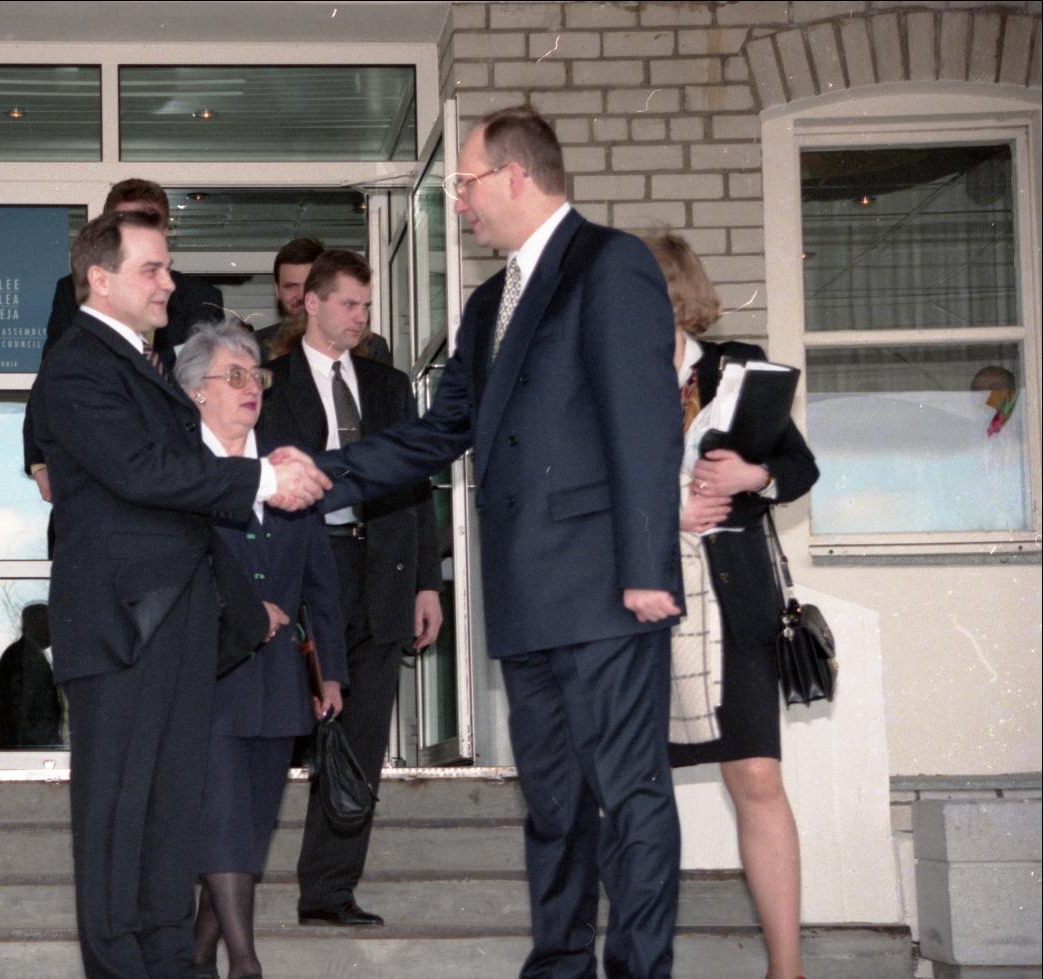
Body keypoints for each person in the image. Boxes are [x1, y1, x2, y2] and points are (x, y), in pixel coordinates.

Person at [292, 106, 686, 977]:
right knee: (554, 804)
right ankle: (559, 964)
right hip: (526, 597)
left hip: (608, 592)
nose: (459, 203)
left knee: (629, 797)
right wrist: (323, 471)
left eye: (464, 184)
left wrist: (648, 567)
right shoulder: (485, 304)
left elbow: (646, 421)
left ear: (515, 175)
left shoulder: (609, 263)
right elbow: (440, 432)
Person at [30, 208, 331, 979]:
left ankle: (168, 960)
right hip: (124, 627)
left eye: (167, 266)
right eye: (152, 269)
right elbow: (145, 474)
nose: (170, 282)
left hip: (176, 623)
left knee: (170, 819)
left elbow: (183, 485)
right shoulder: (78, 364)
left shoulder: (142, 362)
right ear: (101, 279)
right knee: (118, 819)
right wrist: (261, 478)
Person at [647, 232, 819, 979]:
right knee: (635, 784)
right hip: (642, 599)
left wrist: (754, 475)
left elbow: (800, 466)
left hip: (735, 592)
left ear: (677, 294)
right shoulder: (602, 374)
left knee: (756, 775)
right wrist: (668, 509)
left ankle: (787, 969)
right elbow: (580, 489)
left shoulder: (738, 366)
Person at [256, 249, 443, 927]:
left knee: (361, 739)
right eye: (349, 304)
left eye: (366, 306)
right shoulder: (270, 383)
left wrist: (427, 581)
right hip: (307, 574)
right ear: (311, 303)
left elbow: (416, 482)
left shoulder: (389, 386)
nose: (361, 317)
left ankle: (329, 891)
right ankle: (228, 876)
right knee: (282, 728)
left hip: (382, 567)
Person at [173, 319, 348, 979]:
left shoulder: (286, 466)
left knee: (249, 827)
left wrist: (330, 671)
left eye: (257, 375)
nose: (251, 387)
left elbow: (321, 581)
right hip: (207, 670)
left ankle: (197, 957)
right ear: (197, 390)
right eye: (234, 375)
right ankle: (245, 964)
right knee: (222, 819)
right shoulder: (179, 468)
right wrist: (245, 611)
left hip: (276, 678)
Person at [24, 179, 226, 505]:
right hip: (96, 477)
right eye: (126, 223)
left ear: (165, 229)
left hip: (183, 476)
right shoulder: (73, 292)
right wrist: (38, 460)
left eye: (148, 222)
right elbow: (50, 374)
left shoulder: (199, 298)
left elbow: (215, 392)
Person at [256, 236, 391, 364]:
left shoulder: (372, 347)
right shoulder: (256, 346)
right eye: (291, 286)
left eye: (309, 284)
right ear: (277, 290)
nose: (302, 295)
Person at [0, 602, 63, 749]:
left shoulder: (24, 654)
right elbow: (26, 713)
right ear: (34, 624)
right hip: (27, 751)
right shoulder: (26, 657)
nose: (52, 630)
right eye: (47, 623)